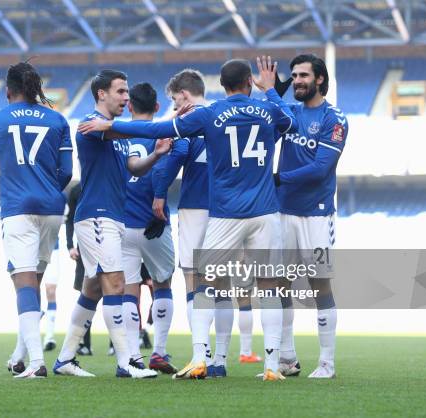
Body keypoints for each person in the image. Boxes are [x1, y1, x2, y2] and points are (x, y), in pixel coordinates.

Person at [78, 56, 297, 381]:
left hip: (226, 214)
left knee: (204, 284)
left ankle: (199, 357)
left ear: (221, 86)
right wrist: (271, 91)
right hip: (266, 212)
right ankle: (270, 365)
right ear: (250, 82)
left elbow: (158, 129)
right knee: (267, 286)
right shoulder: (268, 111)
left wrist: (112, 126)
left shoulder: (210, 114)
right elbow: (291, 122)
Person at [52, 70, 170, 378]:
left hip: (112, 216)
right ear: (101, 94)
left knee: (92, 289)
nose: (126, 97)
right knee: (116, 284)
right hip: (96, 215)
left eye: (127, 92)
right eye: (120, 91)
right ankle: (127, 362)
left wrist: (156, 155)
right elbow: (128, 131)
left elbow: (135, 167)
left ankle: (65, 359)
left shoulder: (115, 132)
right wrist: (169, 125)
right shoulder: (91, 124)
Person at [152, 69, 261, 378]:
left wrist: (159, 193)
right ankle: (220, 361)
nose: (174, 105)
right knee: (222, 283)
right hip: (227, 209)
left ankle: (201, 354)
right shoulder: (225, 114)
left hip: (195, 208)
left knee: (193, 281)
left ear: (185, 96)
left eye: (174, 100)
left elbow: (176, 156)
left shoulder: (190, 121)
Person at [0, 61, 73, 379]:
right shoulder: (58, 119)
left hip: (18, 209)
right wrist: (44, 189)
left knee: (24, 283)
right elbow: (67, 173)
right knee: (32, 284)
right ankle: (19, 354)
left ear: (7, 91)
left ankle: (36, 363)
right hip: (53, 209)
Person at [274, 54, 348, 379]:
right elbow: (264, 127)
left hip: (317, 215)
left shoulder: (336, 119)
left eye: (303, 75)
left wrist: (279, 178)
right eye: (294, 76)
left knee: (320, 286)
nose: (298, 81)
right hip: (282, 212)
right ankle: (287, 358)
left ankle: (327, 364)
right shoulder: (289, 113)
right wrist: (273, 97)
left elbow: (320, 170)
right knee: (280, 284)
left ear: (319, 79)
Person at [120, 82, 176, 374]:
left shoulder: (117, 135)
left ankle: (131, 357)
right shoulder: (163, 134)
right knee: (163, 283)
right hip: (155, 221)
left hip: (123, 224)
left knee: (129, 289)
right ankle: (159, 352)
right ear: (157, 107)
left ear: (129, 106)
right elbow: (164, 171)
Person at [65, 182, 93, 356]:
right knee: (86, 294)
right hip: (83, 248)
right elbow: (69, 220)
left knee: (114, 293)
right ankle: (85, 344)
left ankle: (117, 346)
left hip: (108, 243)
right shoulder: (76, 190)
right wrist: (69, 245)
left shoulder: (105, 181)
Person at [43, 240, 60, 351]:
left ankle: (49, 336)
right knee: (32, 292)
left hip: (52, 248)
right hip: (30, 246)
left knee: (51, 291)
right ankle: (29, 337)